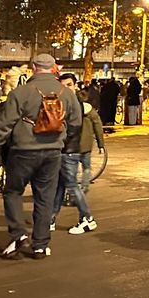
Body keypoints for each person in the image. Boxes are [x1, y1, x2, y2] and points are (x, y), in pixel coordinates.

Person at [0, 54, 82, 260]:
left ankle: (18, 234)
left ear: (34, 68)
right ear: (53, 68)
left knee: (13, 192)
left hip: (23, 150)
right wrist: (61, 137)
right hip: (53, 151)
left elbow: (5, 123)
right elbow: (76, 123)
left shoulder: (22, 92)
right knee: (45, 197)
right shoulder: (67, 93)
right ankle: (41, 244)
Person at [51, 74, 97, 236]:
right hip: (67, 148)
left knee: (70, 184)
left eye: (69, 84)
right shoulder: (67, 100)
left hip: (69, 149)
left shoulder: (73, 102)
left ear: (76, 85)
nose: (67, 88)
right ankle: (51, 217)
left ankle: (87, 218)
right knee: (60, 185)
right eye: (63, 85)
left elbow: (73, 127)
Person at [76, 90, 105, 194]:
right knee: (86, 167)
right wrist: (100, 144)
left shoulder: (72, 109)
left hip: (73, 144)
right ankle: (84, 186)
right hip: (86, 145)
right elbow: (98, 128)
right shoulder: (91, 111)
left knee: (72, 168)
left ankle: (72, 188)